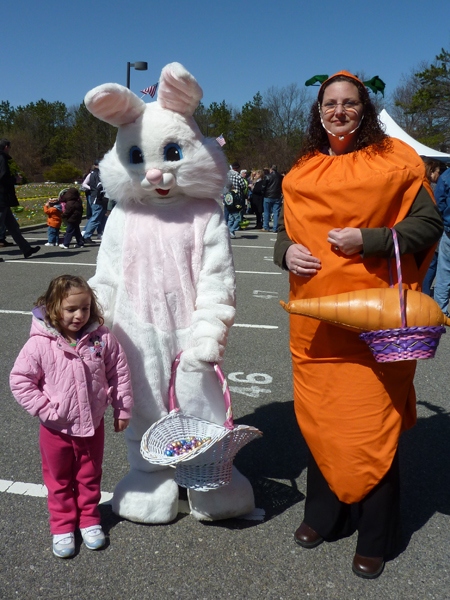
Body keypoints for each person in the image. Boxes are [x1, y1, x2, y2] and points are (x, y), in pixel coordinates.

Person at [274, 70, 443, 579]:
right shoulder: (302, 169)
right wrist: (286, 253)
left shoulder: (396, 161)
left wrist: (369, 240)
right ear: (319, 110)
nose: (339, 110)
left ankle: (376, 533)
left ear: (364, 109)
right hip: (314, 324)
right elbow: (285, 231)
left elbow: (428, 225)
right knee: (322, 420)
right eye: (330, 103)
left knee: (371, 422)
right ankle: (326, 514)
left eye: (349, 102)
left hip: (375, 324)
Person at [9, 274, 133, 558]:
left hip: (92, 425)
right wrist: (46, 410)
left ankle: (89, 519)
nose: (79, 315)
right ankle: (63, 525)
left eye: (85, 308)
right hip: (55, 429)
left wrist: (122, 408)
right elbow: (20, 380)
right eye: (71, 309)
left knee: (89, 476)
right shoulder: (40, 344)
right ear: (53, 307)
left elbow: (119, 373)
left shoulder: (101, 339)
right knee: (59, 480)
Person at [0, 139, 40, 258]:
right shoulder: (2, 158)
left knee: (13, 226)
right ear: (6, 147)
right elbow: (2, 177)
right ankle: (26, 248)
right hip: (1, 197)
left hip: (4, 199)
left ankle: (26, 249)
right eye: (9, 147)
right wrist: (15, 180)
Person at [421, 159, 446, 296]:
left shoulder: (420, 185)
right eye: (437, 171)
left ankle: (424, 292)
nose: (439, 175)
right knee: (433, 264)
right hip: (435, 231)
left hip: (426, 230)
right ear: (431, 171)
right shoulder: (433, 187)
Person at [432, 166, 450, 314]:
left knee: (444, 275)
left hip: (449, 232)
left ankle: (440, 313)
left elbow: (438, 204)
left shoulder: (446, 176)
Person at [82, 162, 107, 243]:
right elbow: (100, 186)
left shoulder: (92, 174)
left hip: (96, 198)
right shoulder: (98, 174)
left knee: (100, 218)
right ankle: (86, 236)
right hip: (98, 199)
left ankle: (99, 233)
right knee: (96, 218)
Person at [262, 164, 283, 232]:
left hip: (268, 195)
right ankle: (275, 227)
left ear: (271, 169)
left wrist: (263, 193)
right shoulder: (280, 177)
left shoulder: (267, 176)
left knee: (266, 212)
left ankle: (266, 227)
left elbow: (264, 186)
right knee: (276, 212)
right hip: (277, 196)